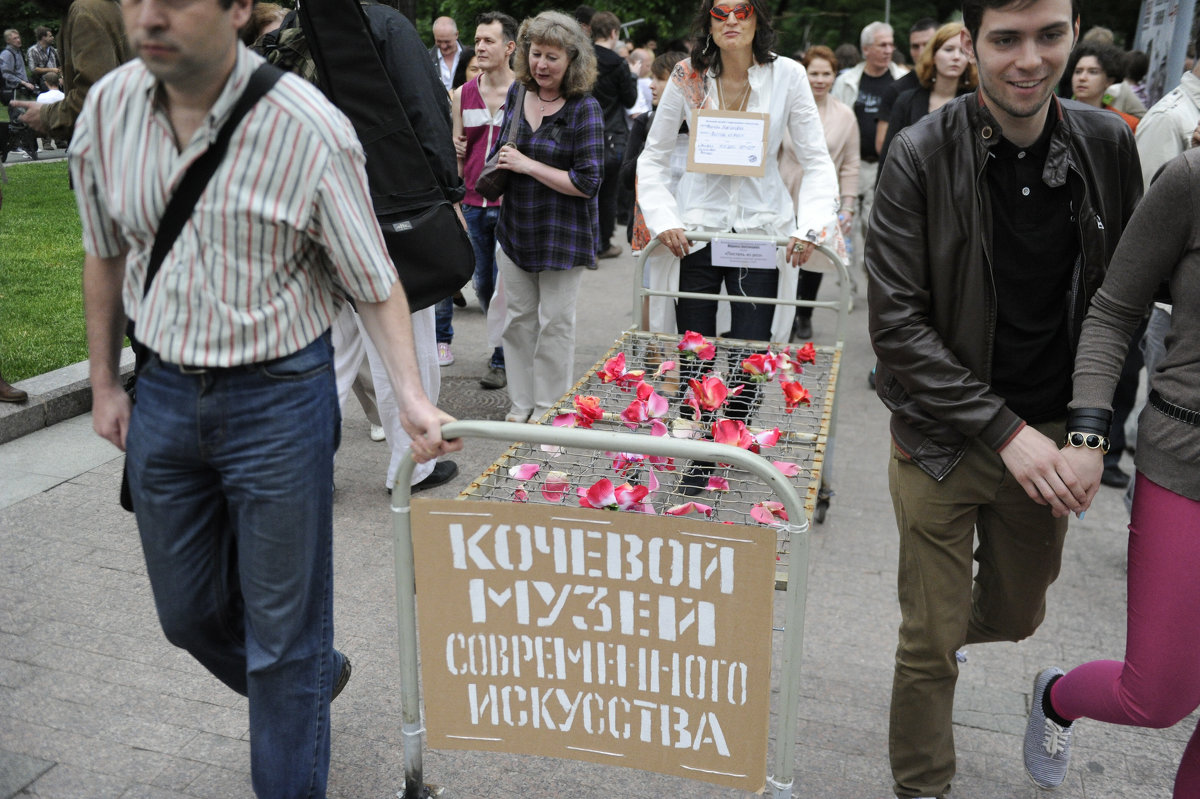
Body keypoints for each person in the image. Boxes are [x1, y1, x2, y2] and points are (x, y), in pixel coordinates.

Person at [74, 0, 459, 796]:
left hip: (279, 399)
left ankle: (295, 699)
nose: (148, 14)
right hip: (166, 394)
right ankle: (314, 674)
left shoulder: (306, 125)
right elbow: (104, 249)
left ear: (238, 8)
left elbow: (372, 277)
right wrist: (105, 379)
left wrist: (411, 399)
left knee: (283, 646)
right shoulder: (109, 111)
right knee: (187, 616)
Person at [865, 0, 1141, 794]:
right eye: (1006, 39)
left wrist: (1092, 432)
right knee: (927, 641)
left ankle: (944, 630)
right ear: (971, 43)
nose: (1029, 59)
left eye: (1049, 36)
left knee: (1019, 615)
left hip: (1052, 432)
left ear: (1072, 34)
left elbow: (1118, 303)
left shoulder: (1106, 145)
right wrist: (1004, 429)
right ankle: (923, 779)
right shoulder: (920, 154)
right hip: (941, 437)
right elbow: (898, 329)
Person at [1021, 146, 1200, 798]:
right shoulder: (1191, 179)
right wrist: (1089, 436)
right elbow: (1116, 308)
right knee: (1156, 695)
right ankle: (1058, 696)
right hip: (1188, 464)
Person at [638, 0, 839, 492]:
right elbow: (654, 156)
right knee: (696, 349)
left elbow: (816, 159)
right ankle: (702, 448)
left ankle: (730, 441)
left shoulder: (787, 75)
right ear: (708, 20)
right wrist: (663, 218)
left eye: (742, 10)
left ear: (757, 19)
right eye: (720, 11)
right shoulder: (688, 76)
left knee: (752, 350)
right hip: (698, 234)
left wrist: (809, 226)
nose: (731, 20)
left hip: (759, 234)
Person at [491, 10, 603, 424]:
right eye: (536, 53)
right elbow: (505, 153)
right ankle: (521, 404)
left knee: (555, 326)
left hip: (563, 235)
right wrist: (502, 159)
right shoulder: (517, 96)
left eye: (552, 57)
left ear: (572, 60)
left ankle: (551, 410)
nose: (541, 64)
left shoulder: (584, 108)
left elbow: (589, 181)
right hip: (516, 230)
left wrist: (527, 165)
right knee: (518, 323)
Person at [451, 10, 519, 390]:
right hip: (473, 203)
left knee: (507, 286)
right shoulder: (462, 94)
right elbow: (457, 154)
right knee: (482, 285)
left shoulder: (524, 92)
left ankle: (501, 358)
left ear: (509, 47)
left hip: (511, 204)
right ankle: (502, 348)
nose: (479, 47)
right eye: (477, 40)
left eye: (488, 40)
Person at [780, 44, 859, 341]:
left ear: (835, 76)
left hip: (823, 197)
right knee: (784, 257)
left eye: (827, 73)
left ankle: (805, 314)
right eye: (814, 73)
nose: (820, 79)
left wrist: (848, 205)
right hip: (786, 193)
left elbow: (851, 163)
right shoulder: (787, 109)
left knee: (812, 258)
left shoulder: (845, 116)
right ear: (804, 74)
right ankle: (783, 314)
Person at [622, 49, 688, 334]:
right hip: (654, 230)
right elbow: (626, 178)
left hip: (694, 228)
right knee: (652, 297)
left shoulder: (706, 125)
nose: (651, 85)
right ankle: (655, 362)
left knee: (689, 301)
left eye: (660, 79)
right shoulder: (645, 123)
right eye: (653, 79)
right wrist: (654, 149)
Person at [831, 21, 903, 284]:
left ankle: (872, 279)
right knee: (845, 228)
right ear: (865, 49)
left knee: (874, 229)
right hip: (850, 166)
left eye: (890, 44)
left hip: (885, 168)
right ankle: (845, 287)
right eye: (882, 45)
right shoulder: (847, 82)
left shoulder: (902, 80)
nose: (888, 50)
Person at [8, 0, 131, 144]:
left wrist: (46, 116)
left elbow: (95, 98)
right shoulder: (91, 8)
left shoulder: (85, 12)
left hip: (115, 147)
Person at [878, 21, 976, 167]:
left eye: (962, 51)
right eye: (948, 49)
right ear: (933, 55)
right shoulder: (906, 101)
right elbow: (889, 158)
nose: (956, 57)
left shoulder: (976, 103)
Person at [590, 10, 638, 263]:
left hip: (584, 133)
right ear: (613, 33)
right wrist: (631, 74)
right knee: (607, 194)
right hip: (612, 136)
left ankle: (586, 244)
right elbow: (630, 100)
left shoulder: (582, 59)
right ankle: (603, 244)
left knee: (585, 191)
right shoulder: (619, 64)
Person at [876, 18, 938, 155]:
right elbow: (883, 146)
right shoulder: (896, 90)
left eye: (927, 44)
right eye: (915, 46)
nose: (921, 52)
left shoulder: (964, 88)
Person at [1067, 41, 1139, 131]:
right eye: (1078, 71)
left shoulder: (1125, 124)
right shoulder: (1054, 114)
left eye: (1093, 72)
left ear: (1109, 81)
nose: (1082, 78)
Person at [1, 28, 38, 161]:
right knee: (18, 121)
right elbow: (6, 73)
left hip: (22, 90)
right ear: (8, 41)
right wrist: (23, 82)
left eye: (19, 37)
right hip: (13, 91)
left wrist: (28, 83)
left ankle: (22, 146)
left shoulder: (18, 52)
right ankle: (18, 147)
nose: (19, 40)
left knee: (23, 119)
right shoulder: (7, 54)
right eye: (15, 38)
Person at [430, 15, 466, 91]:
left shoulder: (471, 57)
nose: (443, 46)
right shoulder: (426, 59)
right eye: (439, 41)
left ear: (456, 35)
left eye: (447, 41)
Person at [25, 26, 59, 92]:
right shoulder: (33, 50)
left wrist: (61, 78)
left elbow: (59, 65)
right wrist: (52, 70)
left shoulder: (52, 50)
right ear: (44, 38)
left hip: (56, 80)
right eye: (50, 36)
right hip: (44, 81)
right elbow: (33, 69)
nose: (53, 38)